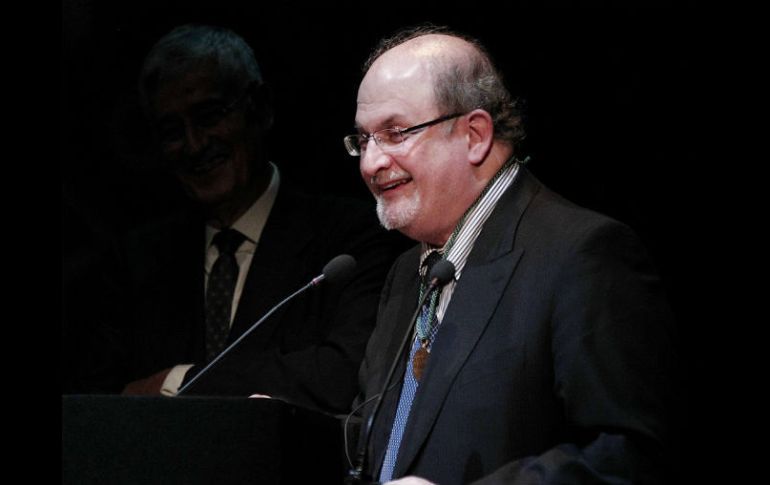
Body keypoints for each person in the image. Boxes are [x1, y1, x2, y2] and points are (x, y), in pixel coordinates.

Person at [345, 25, 679, 484]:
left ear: (475, 135)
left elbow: (631, 454)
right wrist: (279, 427)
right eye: (363, 140)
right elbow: (387, 448)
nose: (371, 163)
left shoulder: (583, 256)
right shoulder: (409, 271)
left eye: (396, 133)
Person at [74, 24, 407, 414]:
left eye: (209, 116)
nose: (195, 144)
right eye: (171, 131)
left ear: (259, 108)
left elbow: (347, 371)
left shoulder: (350, 239)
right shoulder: (134, 262)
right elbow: (96, 399)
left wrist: (178, 381)